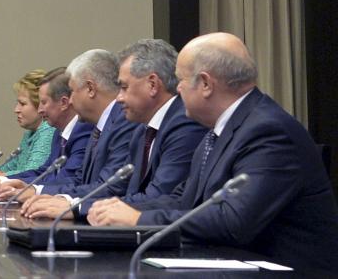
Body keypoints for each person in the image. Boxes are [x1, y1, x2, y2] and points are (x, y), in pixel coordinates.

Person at [88, 33, 338, 274]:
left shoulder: (268, 131)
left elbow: (233, 221)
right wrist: (117, 208)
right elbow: (185, 199)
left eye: (181, 80)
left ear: (206, 84)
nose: (178, 90)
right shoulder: (219, 130)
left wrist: (138, 219)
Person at [62, 39, 206, 217]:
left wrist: (77, 208)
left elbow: (159, 196)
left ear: (152, 85)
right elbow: (119, 187)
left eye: (123, 87)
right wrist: (70, 203)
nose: (119, 98)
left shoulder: (185, 123)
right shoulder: (141, 129)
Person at [0, 49, 139, 215]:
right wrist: (36, 190)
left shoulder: (122, 122)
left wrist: (69, 205)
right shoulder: (98, 125)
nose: (70, 100)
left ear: (90, 89)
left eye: (72, 91)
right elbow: (80, 180)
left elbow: (110, 186)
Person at [0, 67, 94, 193]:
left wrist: (9, 185)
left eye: (43, 102)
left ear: (64, 103)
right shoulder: (58, 131)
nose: (40, 110)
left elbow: (67, 179)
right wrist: (1, 180)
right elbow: (44, 172)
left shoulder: (84, 131)